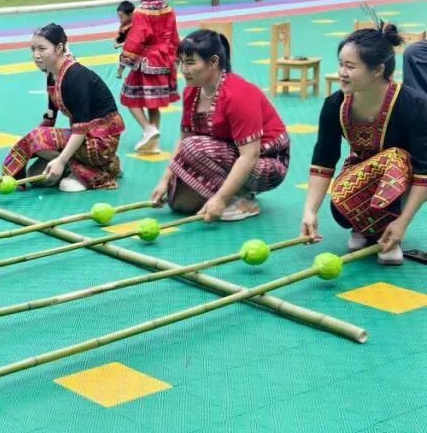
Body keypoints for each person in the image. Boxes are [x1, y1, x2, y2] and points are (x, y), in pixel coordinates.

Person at [302, 25, 427, 265]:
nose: (342, 73)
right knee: (342, 205)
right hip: (362, 175)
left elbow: (424, 171)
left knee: (396, 159)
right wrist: (310, 212)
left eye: (350, 67)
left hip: (405, 181)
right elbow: (323, 162)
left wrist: (402, 223)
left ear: (378, 70)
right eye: (341, 64)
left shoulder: (414, 105)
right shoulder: (334, 105)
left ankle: (390, 230)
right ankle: (364, 227)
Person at [151, 30, 290, 222]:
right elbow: (183, 140)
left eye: (190, 63)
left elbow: (250, 155)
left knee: (192, 147)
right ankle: (228, 192)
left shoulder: (238, 94)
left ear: (213, 62)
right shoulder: (192, 92)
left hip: (266, 163)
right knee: (179, 202)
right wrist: (165, 181)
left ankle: (241, 198)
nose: (183, 69)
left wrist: (221, 199)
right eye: (181, 62)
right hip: (226, 154)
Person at [2, 23, 125, 192]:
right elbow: (50, 118)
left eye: (42, 49)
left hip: (100, 141)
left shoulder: (75, 76)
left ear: (59, 48)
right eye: (33, 49)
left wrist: (59, 160)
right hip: (84, 136)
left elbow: (81, 128)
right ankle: (91, 166)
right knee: (36, 176)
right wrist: (34, 148)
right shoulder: (52, 75)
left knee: (36, 139)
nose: (36, 55)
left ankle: (95, 172)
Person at [117, 0, 180, 153]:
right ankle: (153, 143)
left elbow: (136, 40)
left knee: (129, 97)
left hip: (145, 64)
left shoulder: (141, 12)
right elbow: (174, 38)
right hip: (163, 62)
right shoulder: (169, 10)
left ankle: (148, 129)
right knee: (154, 104)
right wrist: (175, 59)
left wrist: (123, 63)